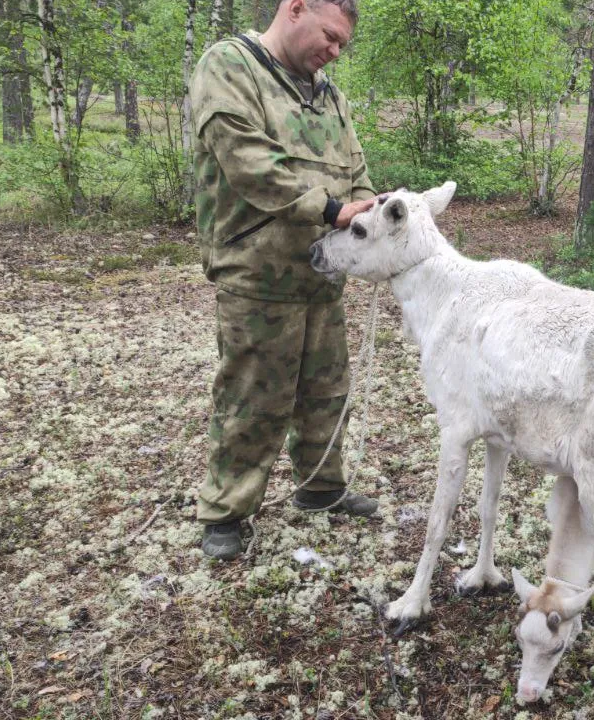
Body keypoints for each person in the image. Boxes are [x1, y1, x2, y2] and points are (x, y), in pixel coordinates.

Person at [189, 0, 379, 560]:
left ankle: (322, 487)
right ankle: (226, 512)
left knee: (326, 389)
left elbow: (356, 166)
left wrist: (370, 207)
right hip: (258, 273)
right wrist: (332, 209)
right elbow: (248, 160)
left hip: (324, 270)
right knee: (254, 395)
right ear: (294, 9)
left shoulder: (328, 93)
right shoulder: (230, 66)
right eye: (330, 36)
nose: (334, 51)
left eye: (342, 44)